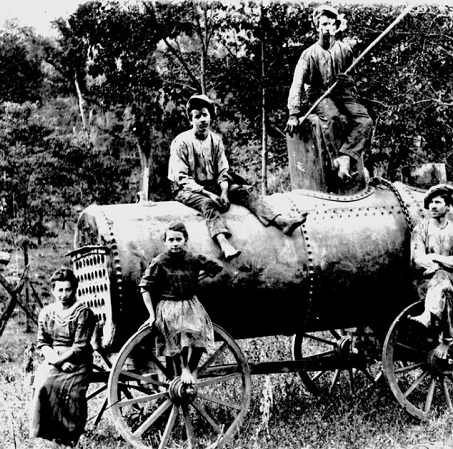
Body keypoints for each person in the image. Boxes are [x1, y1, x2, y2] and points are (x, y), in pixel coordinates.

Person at [169, 94, 307, 259]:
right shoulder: (181, 142)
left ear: (210, 117)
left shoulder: (215, 141)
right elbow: (182, 178)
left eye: (205, 115)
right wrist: (210, 194)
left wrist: (224, 193)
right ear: (191, 120)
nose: (202, 120)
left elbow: (222, 171)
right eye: (197, 116)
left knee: (245, 191)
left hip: (211, 185)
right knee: (207, 204)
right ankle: (224, 244)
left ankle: (282, 222)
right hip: (186, 189)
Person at [285, 5, 373, 190]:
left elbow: (354, 80)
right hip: (319, 94)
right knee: (332, 117)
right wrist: (294, 113)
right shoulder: (308, 54)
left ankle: (346, 155)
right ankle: (336, 161)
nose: (328, 28)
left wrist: (348, 80)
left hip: (342, 93)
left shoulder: (345, 50)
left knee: (365, 120)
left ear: (337, 27)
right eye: (324, 24)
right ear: (317, 27)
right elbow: (297, 83)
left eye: (332, 24)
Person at [140, 220, 224, 393]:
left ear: (185, 239)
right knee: (179, 331)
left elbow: (216, 266)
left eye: (178, 239)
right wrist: (151, 315)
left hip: (190, 303)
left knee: (200, 330)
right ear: (165, 242)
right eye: (171, 240)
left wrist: (199, 275)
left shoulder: (192, 258)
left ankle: (192, 368)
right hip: (169, 306)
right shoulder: (160, 261)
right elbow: (145, 287)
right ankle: (184, 368)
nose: (175, 243)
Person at [30, 268, 96, 447]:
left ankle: (69, 437)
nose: (64, 294)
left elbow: (80, 346)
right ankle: (47, 435)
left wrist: (62, 362)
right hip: (54, 358)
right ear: (53, 290)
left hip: (78, 361)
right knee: (43, 385)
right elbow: (43, 342)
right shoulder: (46, 312)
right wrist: (55, 361)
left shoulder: (83, 313)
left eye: (68, 290)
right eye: (60, 290)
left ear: (75, 290)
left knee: (70, 392)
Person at [408, 185, 453, 343]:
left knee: (442, 276)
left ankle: (427, 318)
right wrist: (447, 264)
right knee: (440, 276)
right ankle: (439, 337)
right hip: (426, 284)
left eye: (437, 202)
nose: (432, 206)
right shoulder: (420, 230)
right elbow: (418, 260)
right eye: (430, 203)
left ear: (448, 206)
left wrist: (436, 258)